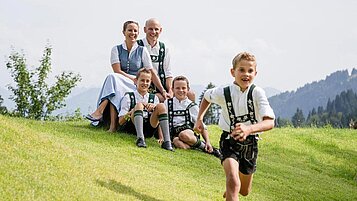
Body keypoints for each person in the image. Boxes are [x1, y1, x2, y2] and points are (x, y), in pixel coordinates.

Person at [194, 52, 275, 201]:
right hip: (228, 141)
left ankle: (232, 191)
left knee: (244, 191)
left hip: (250, 144)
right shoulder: (223, 92)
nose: (246, 74)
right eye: (241, 70)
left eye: (250, 71)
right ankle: (232, 188)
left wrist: (248, 129)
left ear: (255, 73)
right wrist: (199, 119)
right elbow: (206, 96)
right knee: (233, 180)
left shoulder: (257, 93)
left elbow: (270, 122)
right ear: (233, 72)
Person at [85, 20, 168, 132]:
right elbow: (117, 71)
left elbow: (151, 72)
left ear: (138, 33)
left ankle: (101, 112)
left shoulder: (142, 50)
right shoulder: (116, 49)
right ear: (124, 32)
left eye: (135, 31)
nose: (132, 33)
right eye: (129, 30)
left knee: (112, 80)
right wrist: (132, 78)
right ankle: (112, 125)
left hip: (137, 85)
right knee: (113, 79)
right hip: (122, 81)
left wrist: (162, 90)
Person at [137, 18, 195, 102]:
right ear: (145, 30)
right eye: (150, 29)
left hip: (163, 84)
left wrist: (170, 91)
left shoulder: (164, 48)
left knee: (190, 95)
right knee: (160, 98)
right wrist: (163, 91)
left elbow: (168, 72)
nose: (153, 32)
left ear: (160, 30)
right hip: (147, 85)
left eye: (156, 29)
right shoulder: (138, 46)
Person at [165, 76, 221, 158]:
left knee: (183, 135)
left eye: (183, 88)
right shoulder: (168, 103)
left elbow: (202, 126)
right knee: (177, 142)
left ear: (188, 89)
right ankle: (197, 146)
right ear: (172, 89)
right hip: (174, 134)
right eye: (177, 88)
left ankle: (209, 148)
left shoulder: (191, 106)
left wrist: (208, 141)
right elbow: (163, 120)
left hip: (188, 132)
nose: (181, 90)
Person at [118, 68, 174, 151]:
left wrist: (154, 108)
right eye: (142, 80)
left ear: (150, 82)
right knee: (139, 105)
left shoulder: (154, 97)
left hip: (149, 129)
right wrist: (133, 110)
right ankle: (140, 139)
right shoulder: (128, 97)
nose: (145, 83)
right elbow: (120, 121)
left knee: (161, 106)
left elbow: (158, 121)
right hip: (132, 127)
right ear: (136, 81)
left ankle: (167, 142)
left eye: (147, 81)